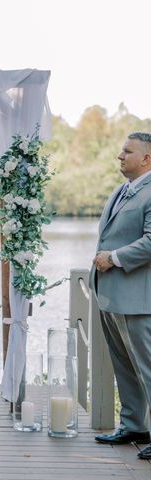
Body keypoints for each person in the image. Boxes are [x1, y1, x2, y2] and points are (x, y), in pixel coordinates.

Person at [90, 132, 151, 460]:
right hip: (112, 295)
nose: (120, 156)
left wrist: (113, 257)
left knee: (149, 366)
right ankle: (133, 425)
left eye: (127, 151)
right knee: (124, 365)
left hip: (140, 298)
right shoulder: (121, 190)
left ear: (146, 158)